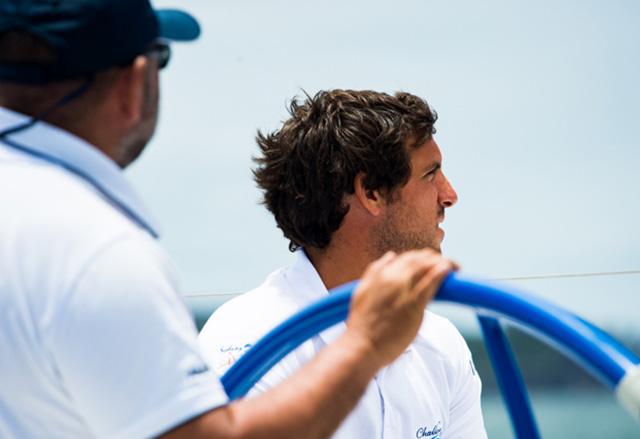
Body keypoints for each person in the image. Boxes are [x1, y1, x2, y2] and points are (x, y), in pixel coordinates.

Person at [0, 2, 458, 438]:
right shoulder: (94, 250)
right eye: (160, 59)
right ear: (134, 83)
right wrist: (366, 344)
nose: (450, 195)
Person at [199, 90, 487, 438]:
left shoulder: (441, 344)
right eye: (431, 174)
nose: (449, 194)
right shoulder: (245, 341)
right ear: (371, 193)